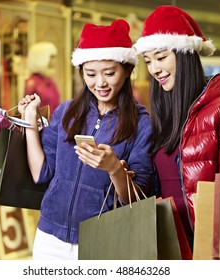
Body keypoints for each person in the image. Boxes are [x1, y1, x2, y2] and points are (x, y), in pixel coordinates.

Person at [18, 19, 154, 260]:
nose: (99, 83)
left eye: (109, 73)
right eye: (90, 74)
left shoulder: (141, 124)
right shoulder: (66, 112)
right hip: (49, 238)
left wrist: (114, 169)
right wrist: (30, 122)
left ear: (127, 71)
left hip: (101, 241)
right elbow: (41, 173)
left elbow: (137, 199)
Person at [133, 5, 220, 250]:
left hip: (207, 245)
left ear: (184, 54)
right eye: (148, 61)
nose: (154, 69)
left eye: (161, 58)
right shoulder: (162, 112)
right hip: (166, 241)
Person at [24, 42, 61, 114]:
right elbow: (27, 111)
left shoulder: (49, 81)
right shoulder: (32, 83)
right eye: (51, 57)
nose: (54, 61)